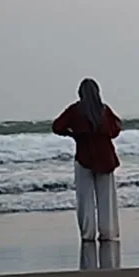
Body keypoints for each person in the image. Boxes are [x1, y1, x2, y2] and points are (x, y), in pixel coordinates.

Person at [52, 78, 122, 242]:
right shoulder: (104, 110)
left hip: (84, 155)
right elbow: (115, 131)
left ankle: (87, 234)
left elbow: (56, 126)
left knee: (85, 199)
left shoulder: (76, 110)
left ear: (80, 93)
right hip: (105, 157)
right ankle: (107, 232)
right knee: (106, 198)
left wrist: (73, 134)